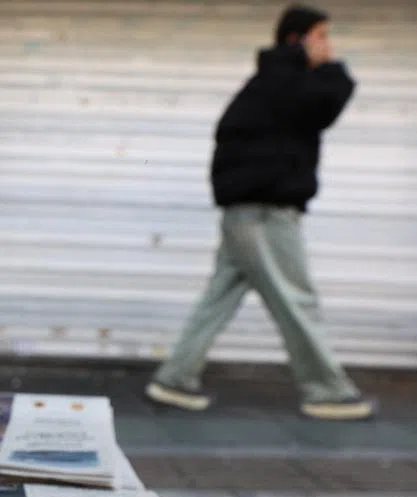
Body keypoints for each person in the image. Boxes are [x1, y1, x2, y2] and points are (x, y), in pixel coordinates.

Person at [145, 5, 376, 421]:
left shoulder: (268, 81)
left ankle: (174, 380)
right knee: (295, 299)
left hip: (244, 212)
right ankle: (326, 390)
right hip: (265, 212)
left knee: (218, 299)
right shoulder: (286, 81)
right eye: (322, 36)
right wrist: (331, 67)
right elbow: (332, 99)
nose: (329, 45)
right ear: (297, 39)